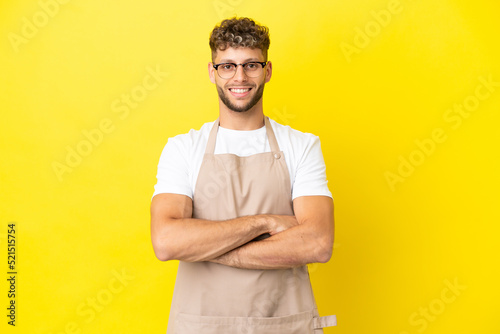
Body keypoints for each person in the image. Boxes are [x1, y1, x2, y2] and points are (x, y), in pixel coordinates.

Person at [150, 17, 337, 334]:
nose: (240, 76)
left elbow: (317, 243)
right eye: (228, 66)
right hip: (201, 327)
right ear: (213, 73)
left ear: (268, 70)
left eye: (251, 65)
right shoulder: (182, 148)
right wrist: (263, 223)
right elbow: (167, 242)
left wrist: (206, 247)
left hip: (284, 326)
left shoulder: (302, 146)